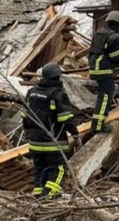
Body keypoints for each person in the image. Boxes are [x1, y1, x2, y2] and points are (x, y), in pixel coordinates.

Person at [23, 63, 82, 199]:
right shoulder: (58, 95)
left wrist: (28, 132)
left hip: (35, 142)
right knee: (59, 169)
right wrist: (75, 133)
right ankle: (48, 197)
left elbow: (25, 117)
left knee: (40, 170)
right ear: (57, 77)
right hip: (53, 143)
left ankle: (38, 196)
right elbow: (66, 120)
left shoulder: (31, 92)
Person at [88, 10, 119, 133]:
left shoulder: (99, 33)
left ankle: (96, 124)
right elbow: (115, 56)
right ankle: (97, 126)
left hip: (94, 67)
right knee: (105, 98)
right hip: (103, 70)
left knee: (102, 96)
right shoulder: (114, 37)